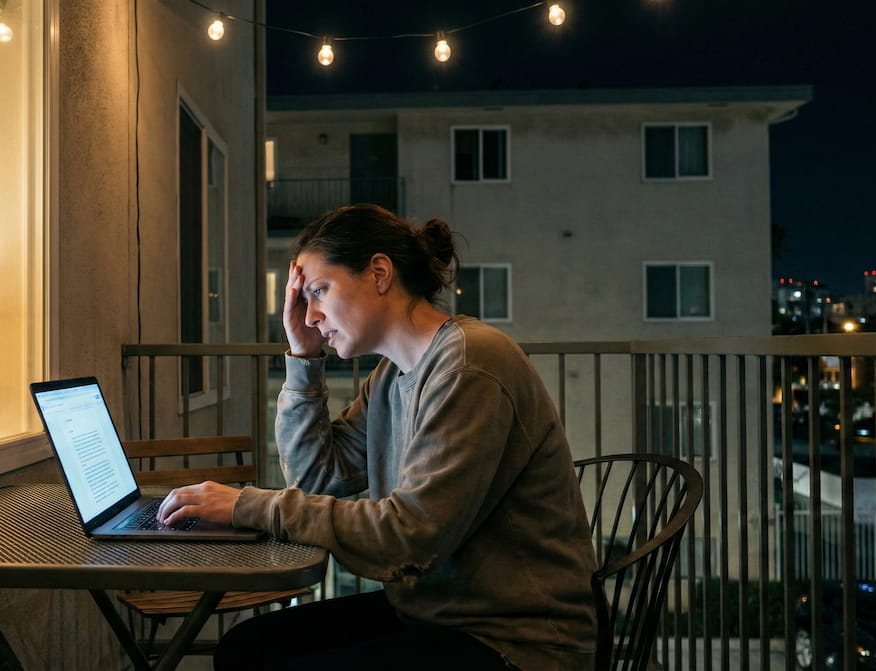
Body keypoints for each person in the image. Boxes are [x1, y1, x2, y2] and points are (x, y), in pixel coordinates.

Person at [157, 204, 597, 670]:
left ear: (379, 273)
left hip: (517, 640)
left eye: (320, 291)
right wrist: (303, 360)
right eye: (304, 299)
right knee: (245, 648)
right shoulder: (391, 375)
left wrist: (248, 504)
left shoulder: (470, 366)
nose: (310, 316)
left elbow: (409, 536)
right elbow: (317, 479)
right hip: (437, 613)